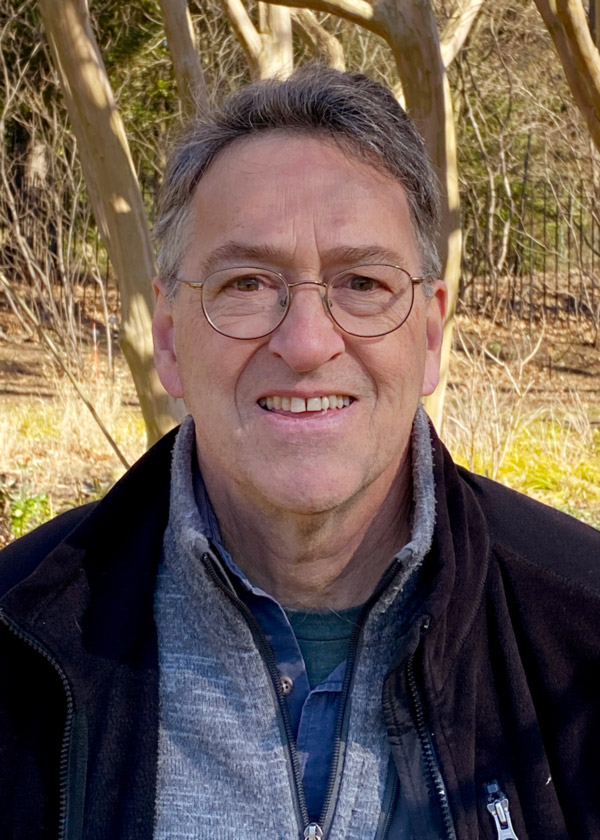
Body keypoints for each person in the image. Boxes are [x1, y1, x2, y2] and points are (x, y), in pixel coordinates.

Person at [1, 66, 599, 840]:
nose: (308, 343)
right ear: (169, 337)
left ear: (428, 334)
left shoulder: (582, 631)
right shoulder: (15, 639)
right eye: (247, 283)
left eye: (362, 283)